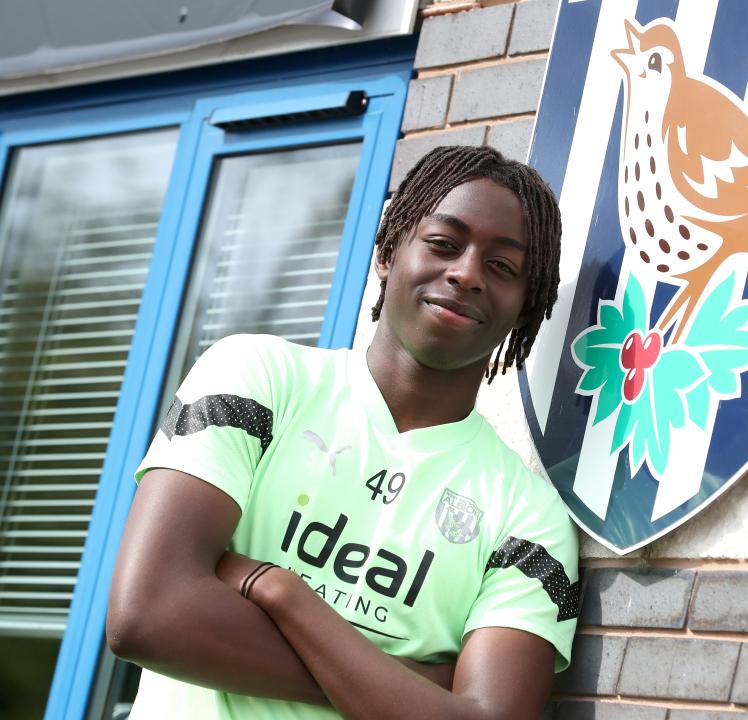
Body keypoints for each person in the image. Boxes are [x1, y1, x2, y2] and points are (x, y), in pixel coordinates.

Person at [107, 144, 579, 719]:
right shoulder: (258, 379)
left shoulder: (529, 517)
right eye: (443, 244)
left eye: (502, 266)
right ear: (387, 252)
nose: (466, 273)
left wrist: (280, 592)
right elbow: (146, 616)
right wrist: (412, 685)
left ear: (526, 308)